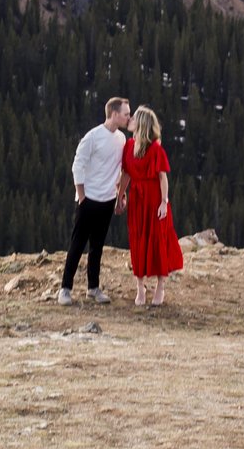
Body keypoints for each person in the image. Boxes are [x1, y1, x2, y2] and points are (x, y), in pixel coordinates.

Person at [60, 95, 131, 305]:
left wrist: (120, 195)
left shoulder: (121, 139)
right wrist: (81, 196)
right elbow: (77, 165)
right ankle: (65, 288)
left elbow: (119, 169)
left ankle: (93, 288)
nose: (129, 117)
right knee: (77, 244)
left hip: (107, 200)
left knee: (97, 246)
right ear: (114, 114)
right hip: (89, 199)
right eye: (126, 114)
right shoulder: (92, 137)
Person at [123, 105, 185, 307]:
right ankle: (140, 287)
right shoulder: (128, 146)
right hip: (137, 199)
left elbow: (162, 178)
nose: (129, 120)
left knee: (158, 239)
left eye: (133, 118)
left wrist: (164, 203)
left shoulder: (156, 149)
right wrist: (120, 196)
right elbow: (126, 174)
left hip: (154, 199)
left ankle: (160, 285)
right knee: (138, 239)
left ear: (141, 124)